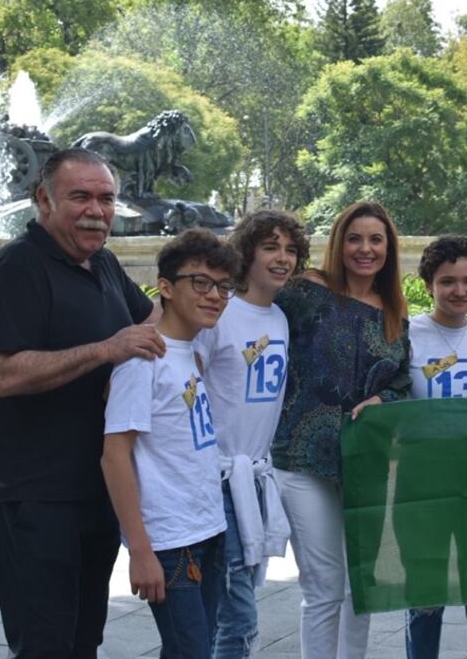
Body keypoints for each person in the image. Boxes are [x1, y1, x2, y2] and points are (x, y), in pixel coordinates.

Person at [0, 148, 163, 657]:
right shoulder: (16, 268)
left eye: (106, 199)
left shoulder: (100, 262)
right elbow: (1, 375)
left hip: (92, 486)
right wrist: (105, 352)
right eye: (80, 196)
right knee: (45, 644)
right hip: (31, 491)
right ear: (44, 199)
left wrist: (208, 288)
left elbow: (149, 324)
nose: (95, 210)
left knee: (82, 640)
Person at [272, 201, 411, 659]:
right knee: (325, 586)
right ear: (338, 243)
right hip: (302, 459)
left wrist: (381, 399)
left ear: (388, 248)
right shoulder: (306, 291)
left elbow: (401, 381)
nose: (364, 249)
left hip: (365, 465)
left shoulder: (395, 313)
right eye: (355, 238)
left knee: (361, 587)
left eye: (376, 239)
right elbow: (245, 309)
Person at [101, 229, 240, 657]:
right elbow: (114, 455)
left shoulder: (190, 352)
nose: (214, 295)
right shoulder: (143, 363)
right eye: (200, 282)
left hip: (209, 529)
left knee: (192, 649)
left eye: (222, 286)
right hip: (170, 542)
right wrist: (140, 549)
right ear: (165, 286)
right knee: (191, 651)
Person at [194, 210, 309, 658]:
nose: (282, 258)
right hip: (216, 478)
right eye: (271, 247)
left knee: (219, 608)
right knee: (237, 616)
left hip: (254, 478)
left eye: (290, 250)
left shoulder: (279, 317)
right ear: (247, 251)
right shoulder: (219, 313)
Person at [400, 235, 467, 659]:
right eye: (447, 282)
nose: (460, 291)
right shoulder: (407, 335)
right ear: (428, 285)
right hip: (421, 485)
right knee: (424, 600)